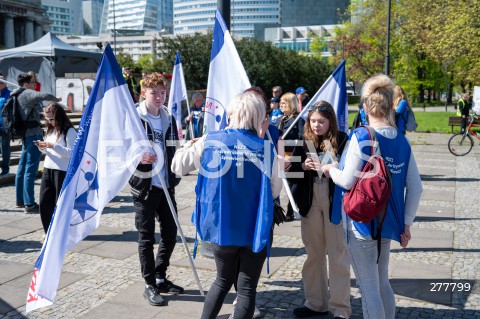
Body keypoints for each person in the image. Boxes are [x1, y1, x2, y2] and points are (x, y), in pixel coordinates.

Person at [171, 91, 282, 319]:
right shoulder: (266, 149)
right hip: (255, 228)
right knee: (247, 287)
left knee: (221, 281)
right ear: (258, 116)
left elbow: (177, 167)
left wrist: (187, 146)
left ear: (233, 114)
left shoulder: (210, 140)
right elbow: (275, 191)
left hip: (221, 226)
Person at [322, 74, 423, 319]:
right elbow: (416, 187)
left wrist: (329, 169)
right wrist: (406, 223)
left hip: (362, 222)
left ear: (366, 107)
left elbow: (346, 180)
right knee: (381, 282)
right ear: (391, 106)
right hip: (390, 221)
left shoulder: (362, 136)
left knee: (368, 289)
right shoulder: (402, 140)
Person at [288, 101, 351, 319]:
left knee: (337, 254)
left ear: (330, 121)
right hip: (310, 198)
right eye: (313, 121)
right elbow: (291, 169)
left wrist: (332, 166)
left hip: (334, 201)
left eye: (321, 121)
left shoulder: (343, 139)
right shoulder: (304, 140)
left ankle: (340, 308)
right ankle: (315, 303)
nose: (316, 125)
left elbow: (350, 171)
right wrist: (302, 166)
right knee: (313, 253)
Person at [128, 72, 183, 307]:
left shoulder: (168, 117)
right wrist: (140, 157)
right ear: (144, 93)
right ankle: (149, 284)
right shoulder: (135, 117)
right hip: (145, 186)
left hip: (165, 184)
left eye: (163, 93)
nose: (159, 97)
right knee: (146, 237)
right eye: (154, 93)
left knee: (171, 234)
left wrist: (180, 157)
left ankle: (160, 276)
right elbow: (123, 149)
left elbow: (173, 146)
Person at [14, 73, 61, 213]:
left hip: (24, 135)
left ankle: (20, 199)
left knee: (22, 168)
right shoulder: (27, 93)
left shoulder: (15, 94)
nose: (35, 86)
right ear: (26, 84)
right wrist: (56, 99)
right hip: (33, 135)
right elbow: (43, 95)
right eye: (33, 83)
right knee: (30, 169)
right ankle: (29, 203)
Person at [36, 103, 76, 233]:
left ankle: (61, 231)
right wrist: (43, 147)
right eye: (47, 119)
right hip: (48, 168)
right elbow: (49, 151)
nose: (49, 122)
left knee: (60, 204)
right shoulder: (50, 130)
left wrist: (53, 146)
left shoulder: (69, 131)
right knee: (44, 201)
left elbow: (71, 153)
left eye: (51, 119)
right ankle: (48, 231)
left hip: (62, 171)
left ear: (59, 116)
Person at [278, 92, 305, 221]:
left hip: (295, 155)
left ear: (290, 104)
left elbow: (302, 137)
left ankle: (291, 211)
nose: (280, 105)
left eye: (283, 103)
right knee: (288, 184)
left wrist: (289, 142)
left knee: (294, 183)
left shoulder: (299, 120)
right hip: (283, 155)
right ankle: (293, 209)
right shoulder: (283, 120)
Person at [0, 74, 12, 176]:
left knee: (5, 149)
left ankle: (5, 169)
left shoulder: (10, 94)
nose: (0, 83)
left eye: (2, 81)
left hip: (5, 126)